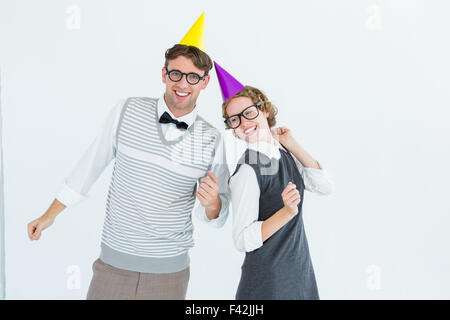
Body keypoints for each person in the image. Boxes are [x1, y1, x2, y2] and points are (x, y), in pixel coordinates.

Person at [27, 15, 230, 300]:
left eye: (193, 77)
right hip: (113, 265)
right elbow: (89, 167)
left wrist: (213, 204)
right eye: (176, 74)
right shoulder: (127, 111)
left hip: (170, 273)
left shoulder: (212, 139)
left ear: (204, 82)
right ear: (163, 74)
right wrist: (50, 215)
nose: (183, 83)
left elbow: (218, 214)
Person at [217, 64, 334, 299]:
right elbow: (242, 240)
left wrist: (292, 143)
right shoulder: (248, 170)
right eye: (234, 119)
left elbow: (324, 186)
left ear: (265, 111)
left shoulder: (283, 152)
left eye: (248, 112)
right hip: (268, 283)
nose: (243, 122)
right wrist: (286, 213)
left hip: (299, 273)